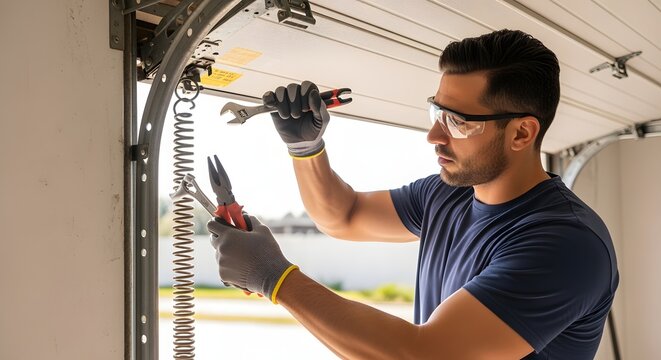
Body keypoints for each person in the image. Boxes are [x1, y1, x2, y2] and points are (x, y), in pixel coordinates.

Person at [208, 29, 619, 359]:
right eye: (436, 112)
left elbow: (426, 355)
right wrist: (305, 149)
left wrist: (277, 279)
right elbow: (343, 215)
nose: (433, 135)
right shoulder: (448, 194)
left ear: (521, 133)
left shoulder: (566, 243)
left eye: (457, 121)